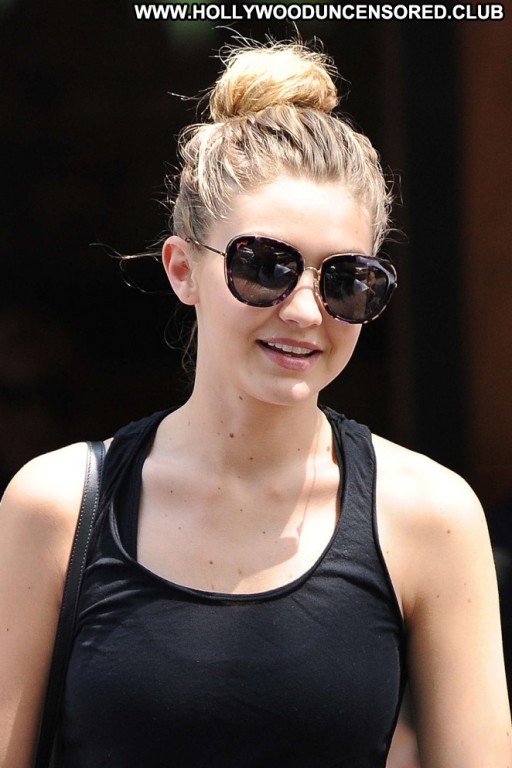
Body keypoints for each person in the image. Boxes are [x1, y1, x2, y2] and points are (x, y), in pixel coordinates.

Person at [1, 40, 510, 768]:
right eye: (265, 266)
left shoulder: (431, 516)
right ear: (183, 269)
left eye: (345, 279)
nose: (303, 310)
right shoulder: (55, 507)